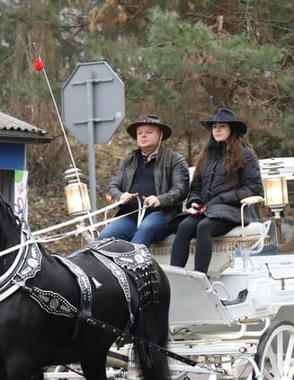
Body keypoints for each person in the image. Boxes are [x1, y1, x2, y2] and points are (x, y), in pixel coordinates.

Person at [170, 108, 263, 273]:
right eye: (214, 127)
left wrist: (222, 199)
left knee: (204, 227)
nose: (217, 130)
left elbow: (254, 188)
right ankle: (174, 277)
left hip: (232, 211)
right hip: (207, 210)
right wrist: (195, 202)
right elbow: (196, 185)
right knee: (184, 226)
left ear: (231, 130)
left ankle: (200, 277)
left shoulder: (245, 154)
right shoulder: (208, 155)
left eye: (222, 126)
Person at [99, 114, 190, 246]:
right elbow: (112, 186)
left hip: (163, 214)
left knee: (145, 229)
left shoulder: (175, 160)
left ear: (161, 135)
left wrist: (160, 199)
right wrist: (120, 196)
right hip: (130, 216)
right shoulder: (128, 161)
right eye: (139, 133)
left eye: (149, 132)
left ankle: (133, 265)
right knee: (105, 237)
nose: (143, 135)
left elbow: (181, 189)